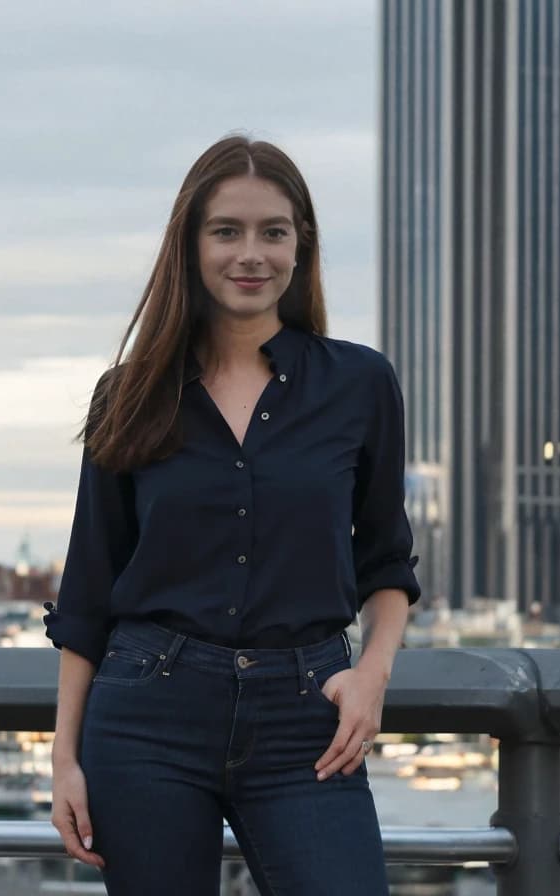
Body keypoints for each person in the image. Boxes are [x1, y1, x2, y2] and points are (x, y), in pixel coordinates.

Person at [42, 134, 420, 895]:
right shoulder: (129, 396)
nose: (251, 254)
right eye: (227, 231)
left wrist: (372, 673)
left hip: (306, 716)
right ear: (191, 244)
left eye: (273, 232)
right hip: (148, 716)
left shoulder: (360, 383)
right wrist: (64, 760)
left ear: (299, 247)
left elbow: (386, 560)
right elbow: (89, 590)